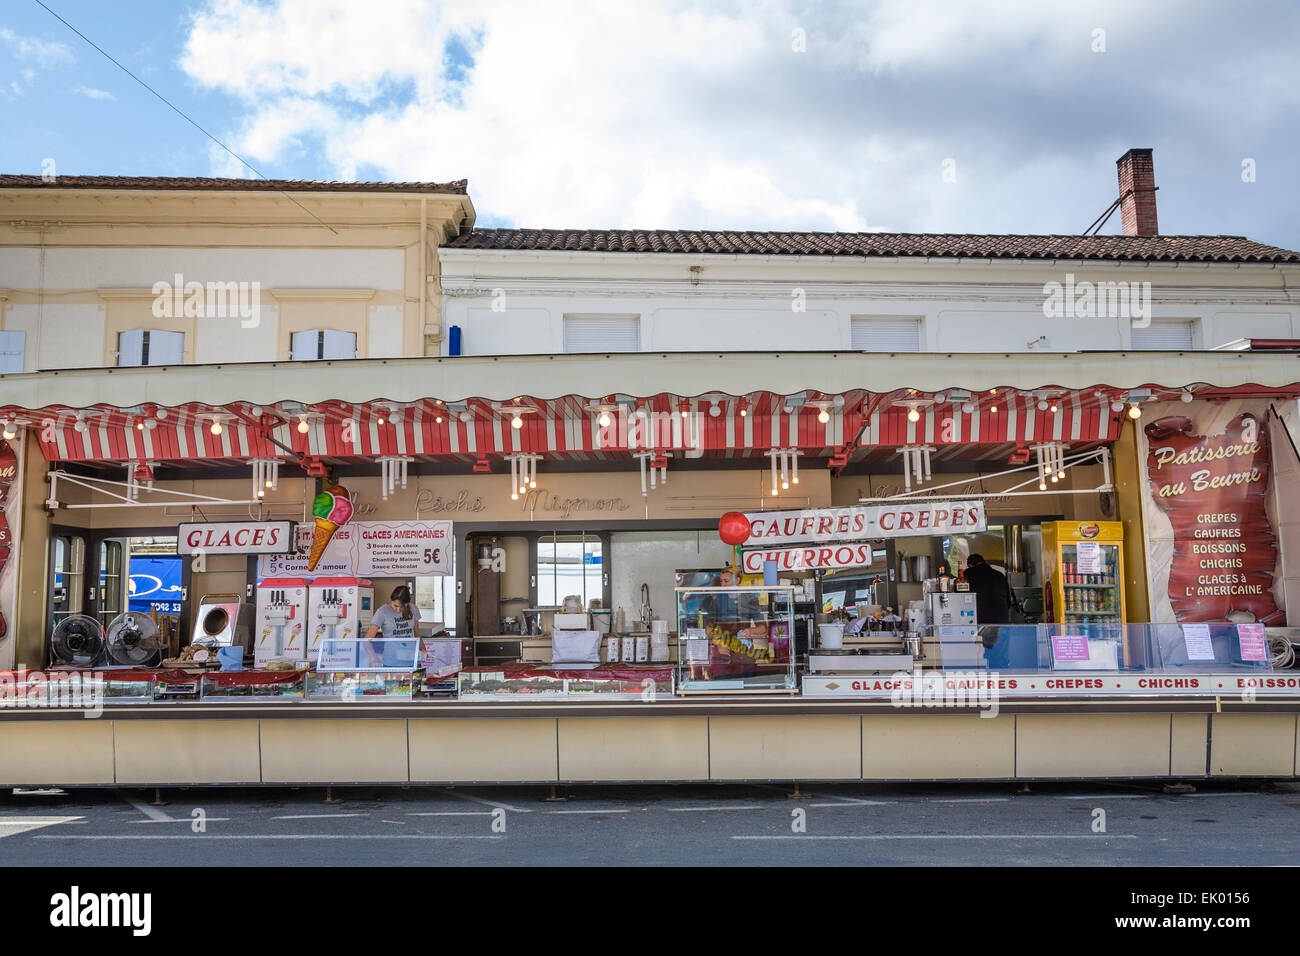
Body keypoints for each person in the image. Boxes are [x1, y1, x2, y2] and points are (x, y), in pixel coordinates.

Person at [963, 554, 1016, 666]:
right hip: (1001, 620)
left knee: (982, 654)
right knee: (1000, 656)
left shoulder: (969, 575)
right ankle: (1002, 679)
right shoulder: (999, 575)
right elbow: (1008, 600)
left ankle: (987, 680)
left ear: (969, 565)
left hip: (981, 621)